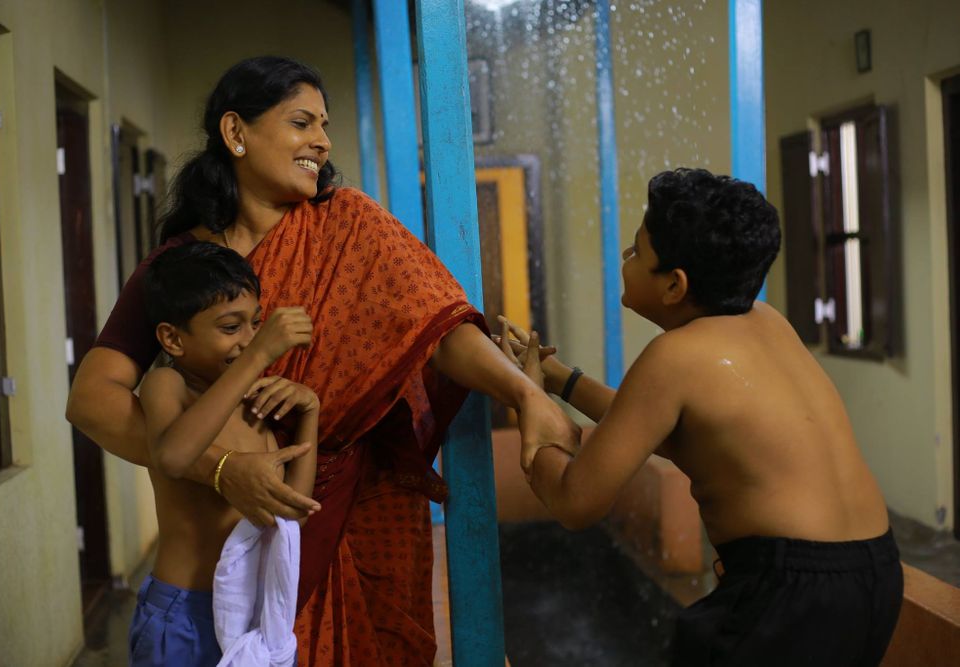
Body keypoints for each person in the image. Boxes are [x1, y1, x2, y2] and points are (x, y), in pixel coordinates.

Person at [66, 55, 577, 666]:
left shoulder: (353, 227)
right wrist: (222, 468)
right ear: (235, 132)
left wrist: (524, 392)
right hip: (219, 574)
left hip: (359, 511)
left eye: (324, 126)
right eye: (301, 122)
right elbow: (92, 400)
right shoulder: (182, 271)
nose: (322, 141)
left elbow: (437, 328)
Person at [497, 168, 903, 666]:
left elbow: (575, 502)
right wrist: (556, 379)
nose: (624, 259)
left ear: (674, 285)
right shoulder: (768, 322)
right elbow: (655, 429)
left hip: (791, 592)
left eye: (636, 252)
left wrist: (528, 404)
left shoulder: (675, 356)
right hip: (875, 573)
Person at [130, 242, 318, 666]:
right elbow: (173, 456)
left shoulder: (254, 401)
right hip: (183, 613)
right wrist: (259, 354)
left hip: (253, 612)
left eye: (256, 324)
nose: (249, 340)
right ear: (173, 338)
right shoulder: (169, 385)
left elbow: (293, 514)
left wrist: (311, 411)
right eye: (231, 328)